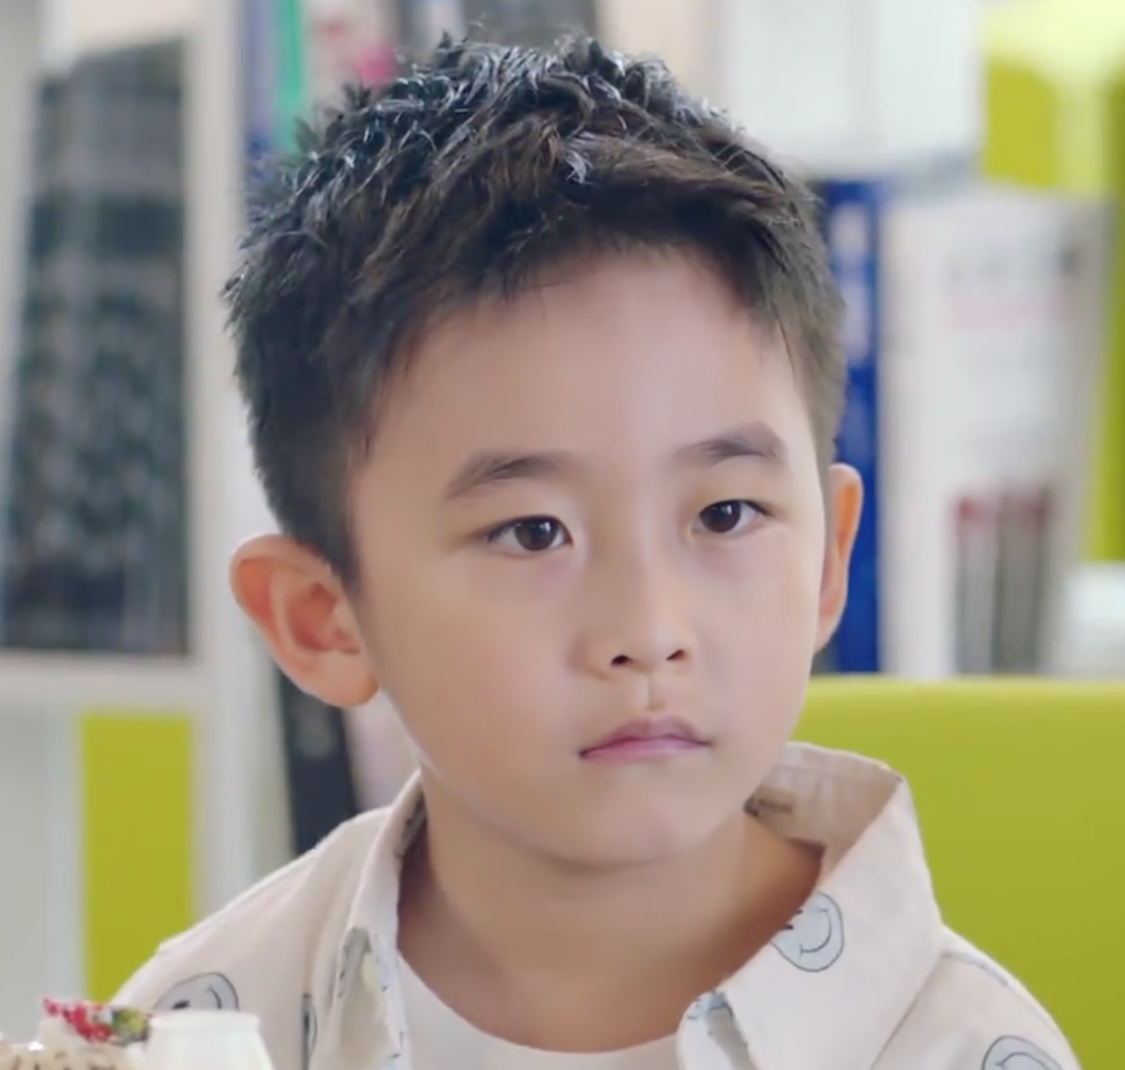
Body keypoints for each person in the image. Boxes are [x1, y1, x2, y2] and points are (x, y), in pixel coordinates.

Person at [115, 35, 1078, 1070]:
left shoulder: (962, 1047)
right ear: (323, 619)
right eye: (533, 532)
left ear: (829, 561)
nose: (648, 631)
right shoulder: (195, 1028)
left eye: (725, 515)